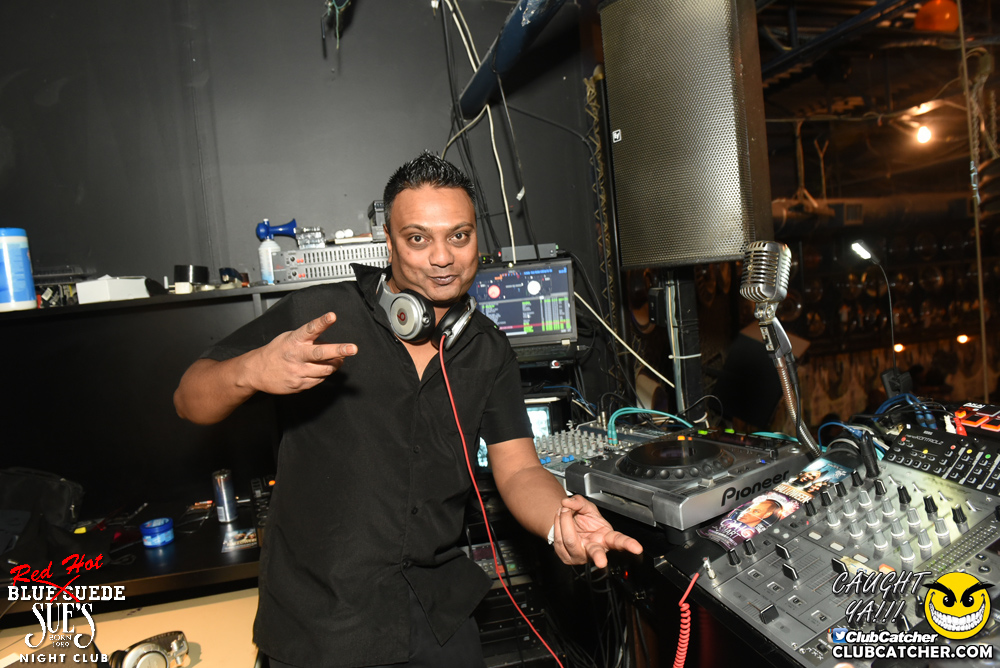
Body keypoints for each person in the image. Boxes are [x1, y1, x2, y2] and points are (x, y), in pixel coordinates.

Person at [173, 153, 643, 668]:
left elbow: (519, 470)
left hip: (437, 619)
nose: (442, 257)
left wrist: (558, 518)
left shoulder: (488, 349)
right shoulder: (318, 315)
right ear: (390, 241)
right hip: (321, 627)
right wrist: (250, 370)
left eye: (459, 236)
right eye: (418, 238)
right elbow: (188, 399)